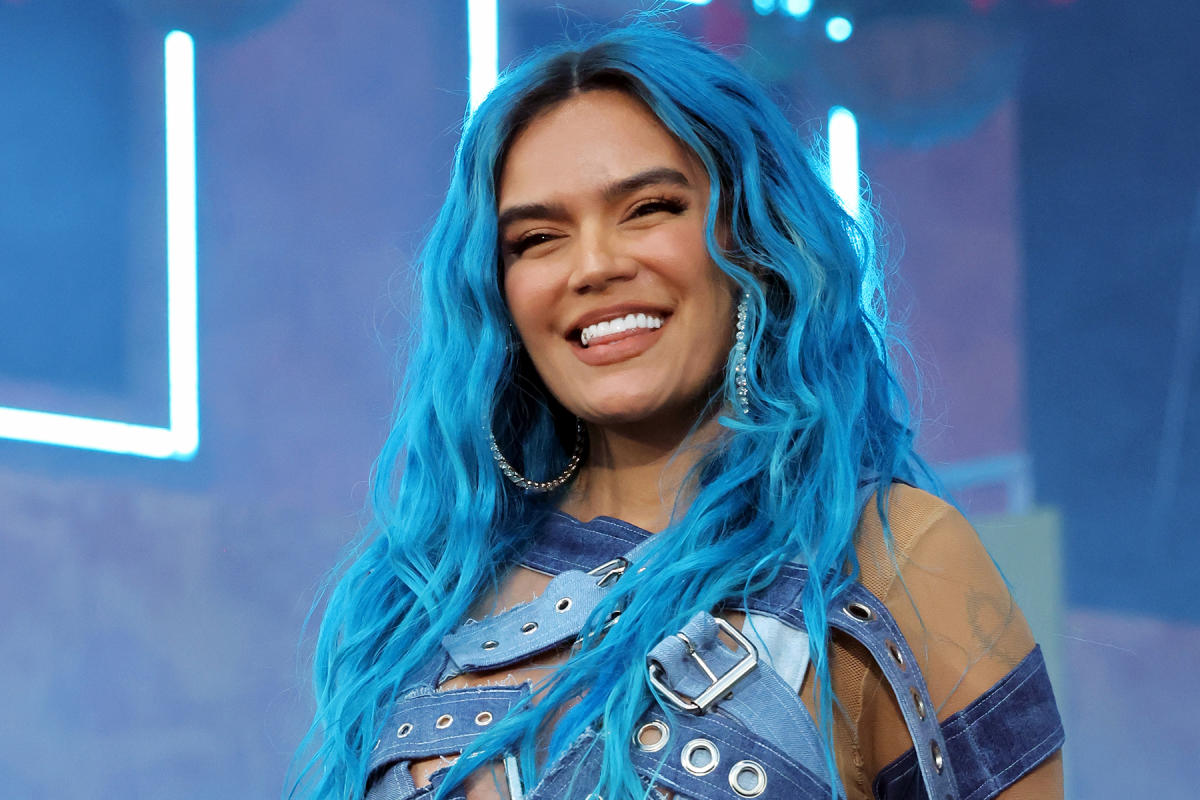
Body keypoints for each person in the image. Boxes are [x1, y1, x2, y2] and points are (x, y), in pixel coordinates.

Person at [291, 23, 1064, 800]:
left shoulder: (891, 560)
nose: (594, 266)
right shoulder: (424, 601)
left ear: (756, 242)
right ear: (499, 291)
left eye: (649, 208)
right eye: (537, 238)